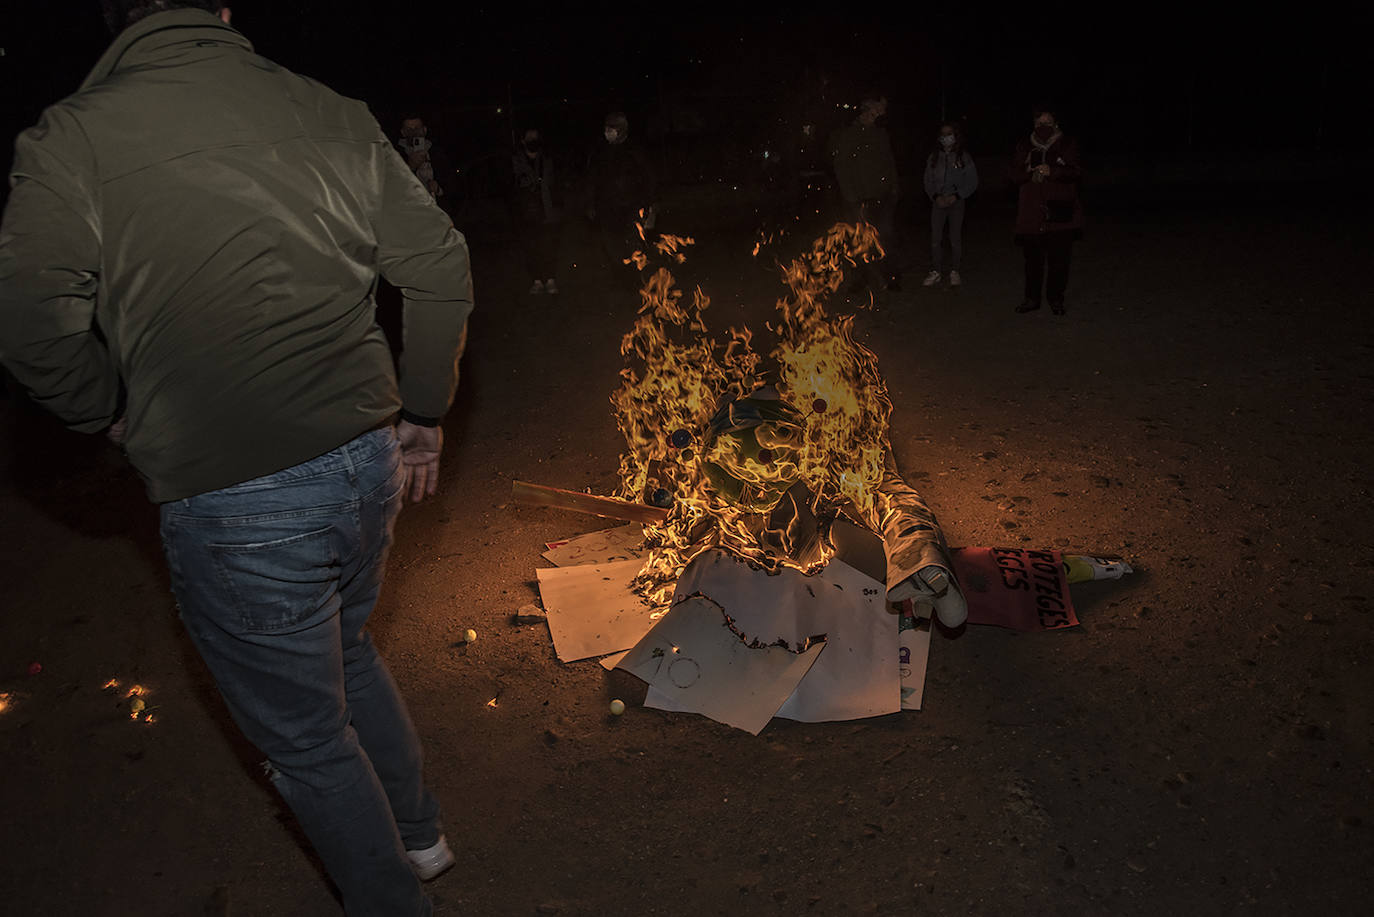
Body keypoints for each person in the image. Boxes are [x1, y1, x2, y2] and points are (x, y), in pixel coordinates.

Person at [0, 4, 474, 914]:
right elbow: (440, 264)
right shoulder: (327, 107)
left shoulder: (71, 139)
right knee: (346, 645)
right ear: (222, 9)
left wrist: (106, 411)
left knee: (306, 739)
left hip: (235, 495)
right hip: (366, 459)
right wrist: (424, 411)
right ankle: (421, 835)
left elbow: (31, 328)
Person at [1010, 106, 1084, 315]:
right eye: (1039, 123)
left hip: (1060, 212)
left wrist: (1054, 171)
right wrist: (1028, 173)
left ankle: (1055, 298)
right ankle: (1032, 299)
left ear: (1056, 123)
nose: (1043, 127)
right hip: (1031, 213)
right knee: (1033, 261)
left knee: (1059, 261)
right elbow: (1013, 174)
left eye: (1047, 122)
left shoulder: (1067, 144)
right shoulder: (1024, 145)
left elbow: (1077, 171)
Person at [827, 94, 902, 292]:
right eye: (878, 110)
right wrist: (851, 197)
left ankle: (890, 277)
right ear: (868, 111)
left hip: (883, 196)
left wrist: (894, 188)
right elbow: (842, 166)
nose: (882, 114)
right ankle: (859, 279)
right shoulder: (850, 135)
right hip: (858, 198)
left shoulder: (881, 133)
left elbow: (889, 161)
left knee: (885, 236)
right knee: (858, 240)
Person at [586, 111, 656, 272]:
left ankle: (636, 281)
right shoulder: (601, 152)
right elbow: (593, 179)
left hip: (631, 208)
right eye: (606, 128)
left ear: (621, 129)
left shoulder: (634, 151)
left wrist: (650, 205)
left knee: (634, 247)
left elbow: (648, 178)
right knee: (612, 247)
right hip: (607, 209)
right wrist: (590, 203)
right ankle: (620, 277)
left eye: (611, 128)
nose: (607, 132)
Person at [921, 122, 978, 288]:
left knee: (955, 238)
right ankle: (936, 271)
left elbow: (972, 181)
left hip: (957, 202)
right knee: (935, 238)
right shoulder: (933, 157)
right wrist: (935, 196)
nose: (947, 138)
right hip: (938, 202)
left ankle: (955, 271)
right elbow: (927, 180)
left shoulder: (964, 157)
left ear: (955, 136)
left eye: (950, 134)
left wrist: (957, 195)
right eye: (943, 135)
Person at [512, 127, 559, 294]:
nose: (533, 141)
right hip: (527, 212)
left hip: (547, 210)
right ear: (523, 141)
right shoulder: (517, 160)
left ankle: (550, 279)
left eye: (536, 137)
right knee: (532, 247)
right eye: (530, 137)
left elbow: (553, 182)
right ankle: (537, 280)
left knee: (548, 245)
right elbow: (517, 183)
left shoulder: (546, 159)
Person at [398, 115, 444, 201]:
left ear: (424, 130)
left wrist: (438, 188)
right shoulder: (394, 154)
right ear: (403, 133)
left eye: (417, 128)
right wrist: (410, 167)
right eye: (409, 129)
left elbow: (451, 183)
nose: (414, 132)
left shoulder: (436, 152)